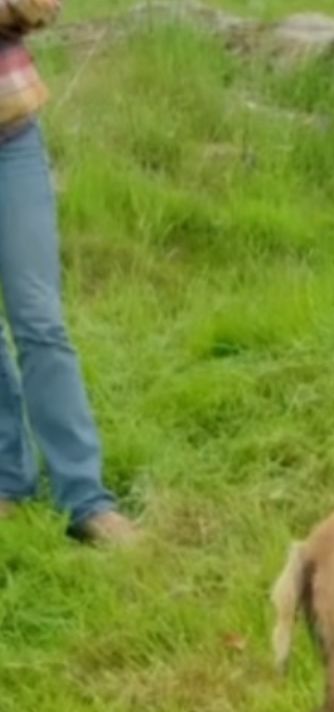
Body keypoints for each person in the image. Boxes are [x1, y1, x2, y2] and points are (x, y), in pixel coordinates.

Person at [0, 0, 139, 545]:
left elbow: (43, 6)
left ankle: (86, 500)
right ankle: (9, 485)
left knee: (40, 321)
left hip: (10, 143)